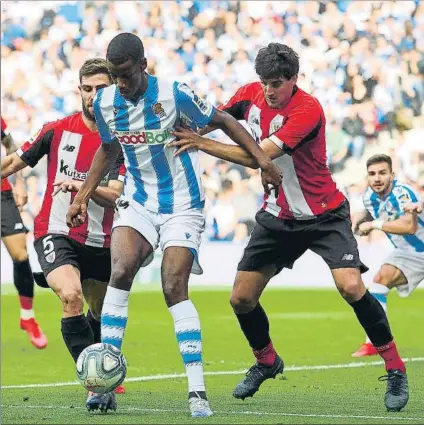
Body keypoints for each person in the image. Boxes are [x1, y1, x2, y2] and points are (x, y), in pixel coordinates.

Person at [168, 43, 409, 413]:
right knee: (241, 298)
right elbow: (214, 117)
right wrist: (179, 118)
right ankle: (266, 360)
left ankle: (394, 368)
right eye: (264, 82)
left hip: (324, 215)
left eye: (277, 83)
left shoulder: (307, 109)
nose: (269, 90)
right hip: (278, 217)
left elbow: (259, 156)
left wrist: (201, 144)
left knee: (350, 286)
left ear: (294, 80)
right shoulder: (250, 95)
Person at [66, 33, 282, 418]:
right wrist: (83, 195)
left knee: (172, 286)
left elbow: (225, 120)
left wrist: (263, 162)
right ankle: (102, 385)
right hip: (139, 201)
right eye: (115, 76)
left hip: (183, 204)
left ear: (143, 65)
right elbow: (108, 148)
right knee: (121, 269)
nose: (121, 84)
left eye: (127, 75)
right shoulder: (106, 102)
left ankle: (197, 391)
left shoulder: (175, 94)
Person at [1, 58, 126, 411]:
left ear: (114, 89)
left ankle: (100, 370)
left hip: (102, 240)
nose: (93, 95)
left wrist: (80, 187)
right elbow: (13, 163)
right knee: (70, 296)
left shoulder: (122, 139)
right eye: (87, 89)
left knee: (99, 313)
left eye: (101, 89)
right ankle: (95, 384)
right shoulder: (56, 130)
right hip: (56, 231)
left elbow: (115, 193)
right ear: (80, 91)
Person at [352, 154, 424, 357]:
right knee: (379, 281)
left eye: (382, 173)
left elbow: (410, 227)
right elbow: (377, 215)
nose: (377, 178)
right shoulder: (368, 197)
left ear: (392, 174)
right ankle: (375, 341)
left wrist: (374, 225)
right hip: (406, 253)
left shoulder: (402, 193)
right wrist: (360, 223)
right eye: (372, 174)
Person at [1, 116, 48, 349]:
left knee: (21, 255)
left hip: (2, 193)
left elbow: (9, 144)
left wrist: (18, 181)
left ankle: (27, 317)